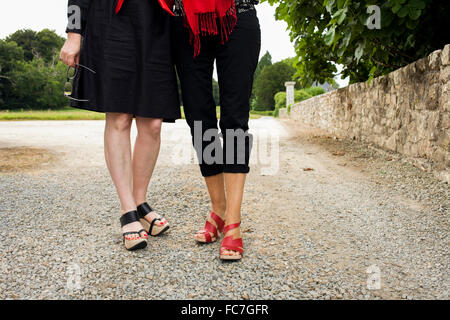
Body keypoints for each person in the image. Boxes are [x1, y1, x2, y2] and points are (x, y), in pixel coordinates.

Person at [60, 0, 180, 251]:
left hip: (157, 21)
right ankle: (128, 211)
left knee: (153, 122)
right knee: (120, 117)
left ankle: (140, 201)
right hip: (111, 20)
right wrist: (74, 33)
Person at [171, 0, 261, 260]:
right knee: (199, 119)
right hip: (186, 19)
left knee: (234, 119)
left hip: (237, 12)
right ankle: (218, 209)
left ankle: (233, 218)